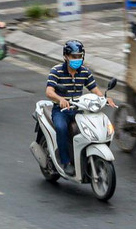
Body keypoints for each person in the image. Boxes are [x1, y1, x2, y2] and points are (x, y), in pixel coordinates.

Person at [44, 40, 115, 176]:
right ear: (66, 56)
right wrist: (60, 99)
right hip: (61, 110)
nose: (77, 59)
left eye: (80, 56)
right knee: (61, 128)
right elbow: (49, 91)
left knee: (92, 129)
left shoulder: (84, 72)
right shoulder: (56, 71)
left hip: (79, 109)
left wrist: (104, 99)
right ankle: (65, 161)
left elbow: (94, 89)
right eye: (74, 57)